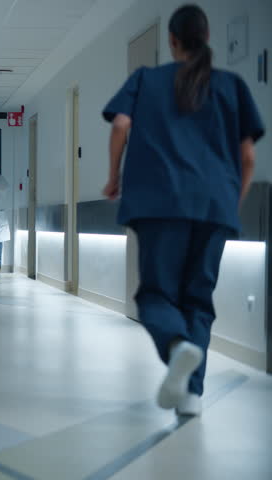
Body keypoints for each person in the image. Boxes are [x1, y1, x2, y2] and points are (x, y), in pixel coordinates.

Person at [101, 4, 263, 416]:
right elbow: (248, 158)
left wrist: (113, 175)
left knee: (156, 294)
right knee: (198, 300)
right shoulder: (231, 85)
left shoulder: (146, 79)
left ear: (172, 41)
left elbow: (120, 126)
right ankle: (191, 395)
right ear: (207, 38)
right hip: (215, 205)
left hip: (158, 203)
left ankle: (176, 347)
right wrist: (233, 199)